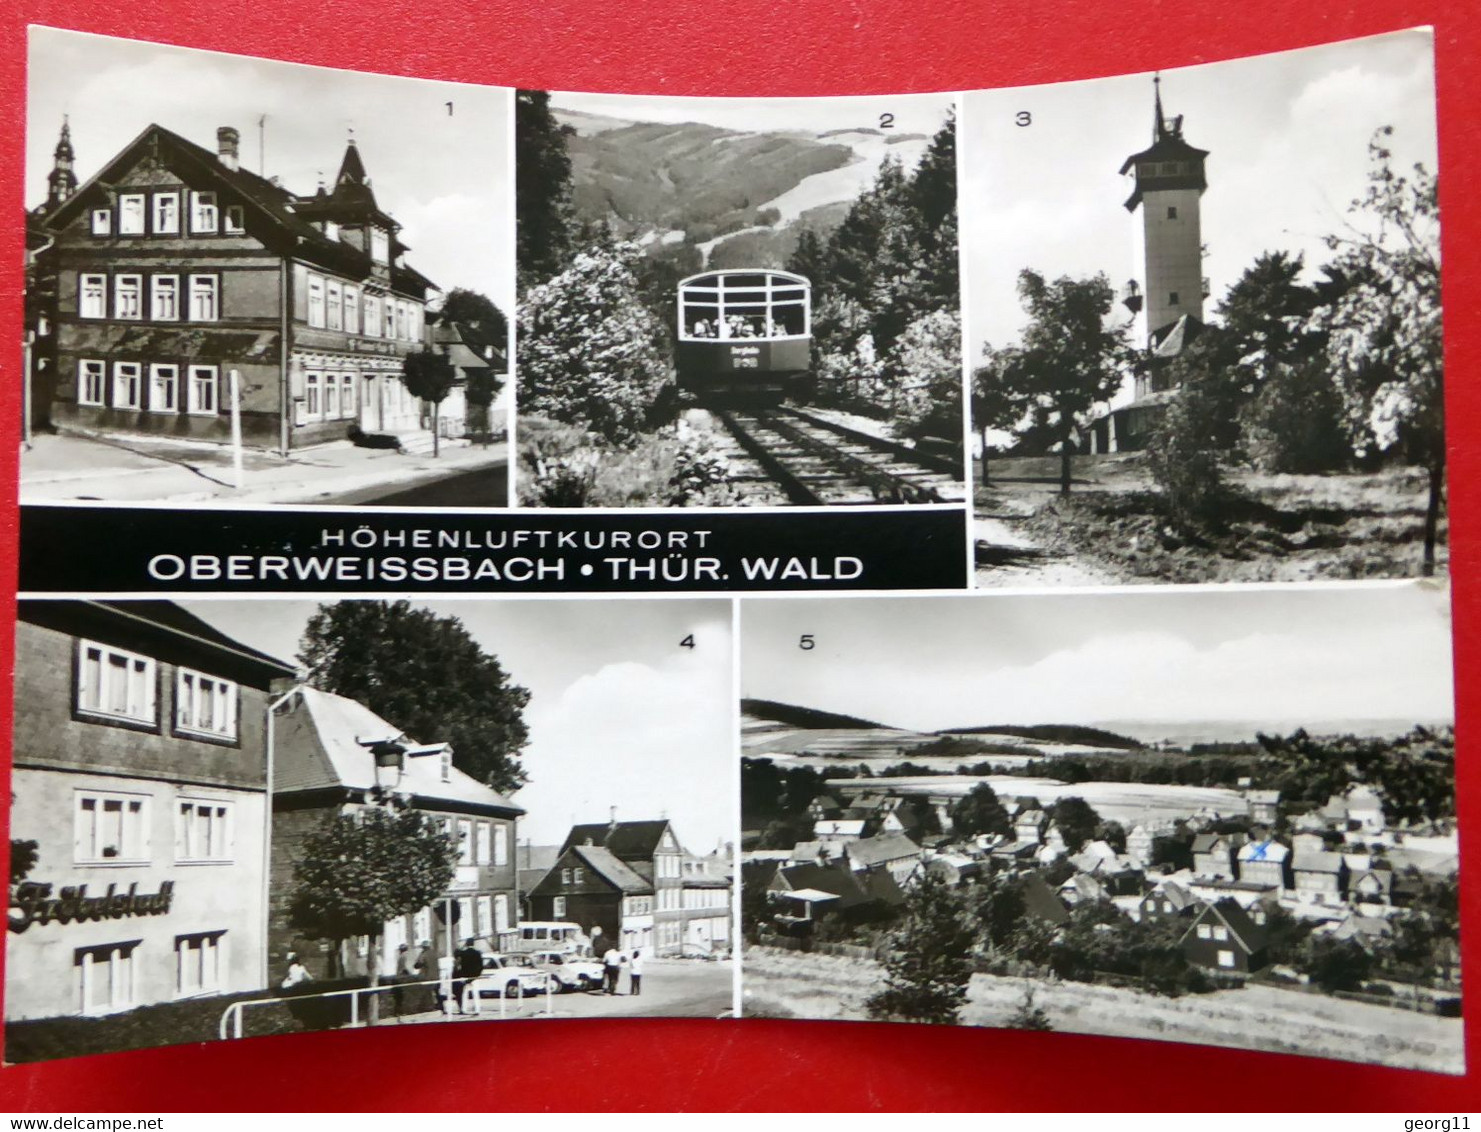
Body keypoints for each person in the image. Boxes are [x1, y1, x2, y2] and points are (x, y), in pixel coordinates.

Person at [452, 938, 483, 1015]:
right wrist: (478, 974)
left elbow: (456, 954)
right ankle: (477, 1009)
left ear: (467, 944)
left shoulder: (464, 953)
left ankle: (464, 1009)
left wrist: (463, 946)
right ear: (473, 944)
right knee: (476, 994)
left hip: (466, 976)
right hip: (475, 977)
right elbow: (481, 966)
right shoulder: (478, 953)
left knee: (464, 994)